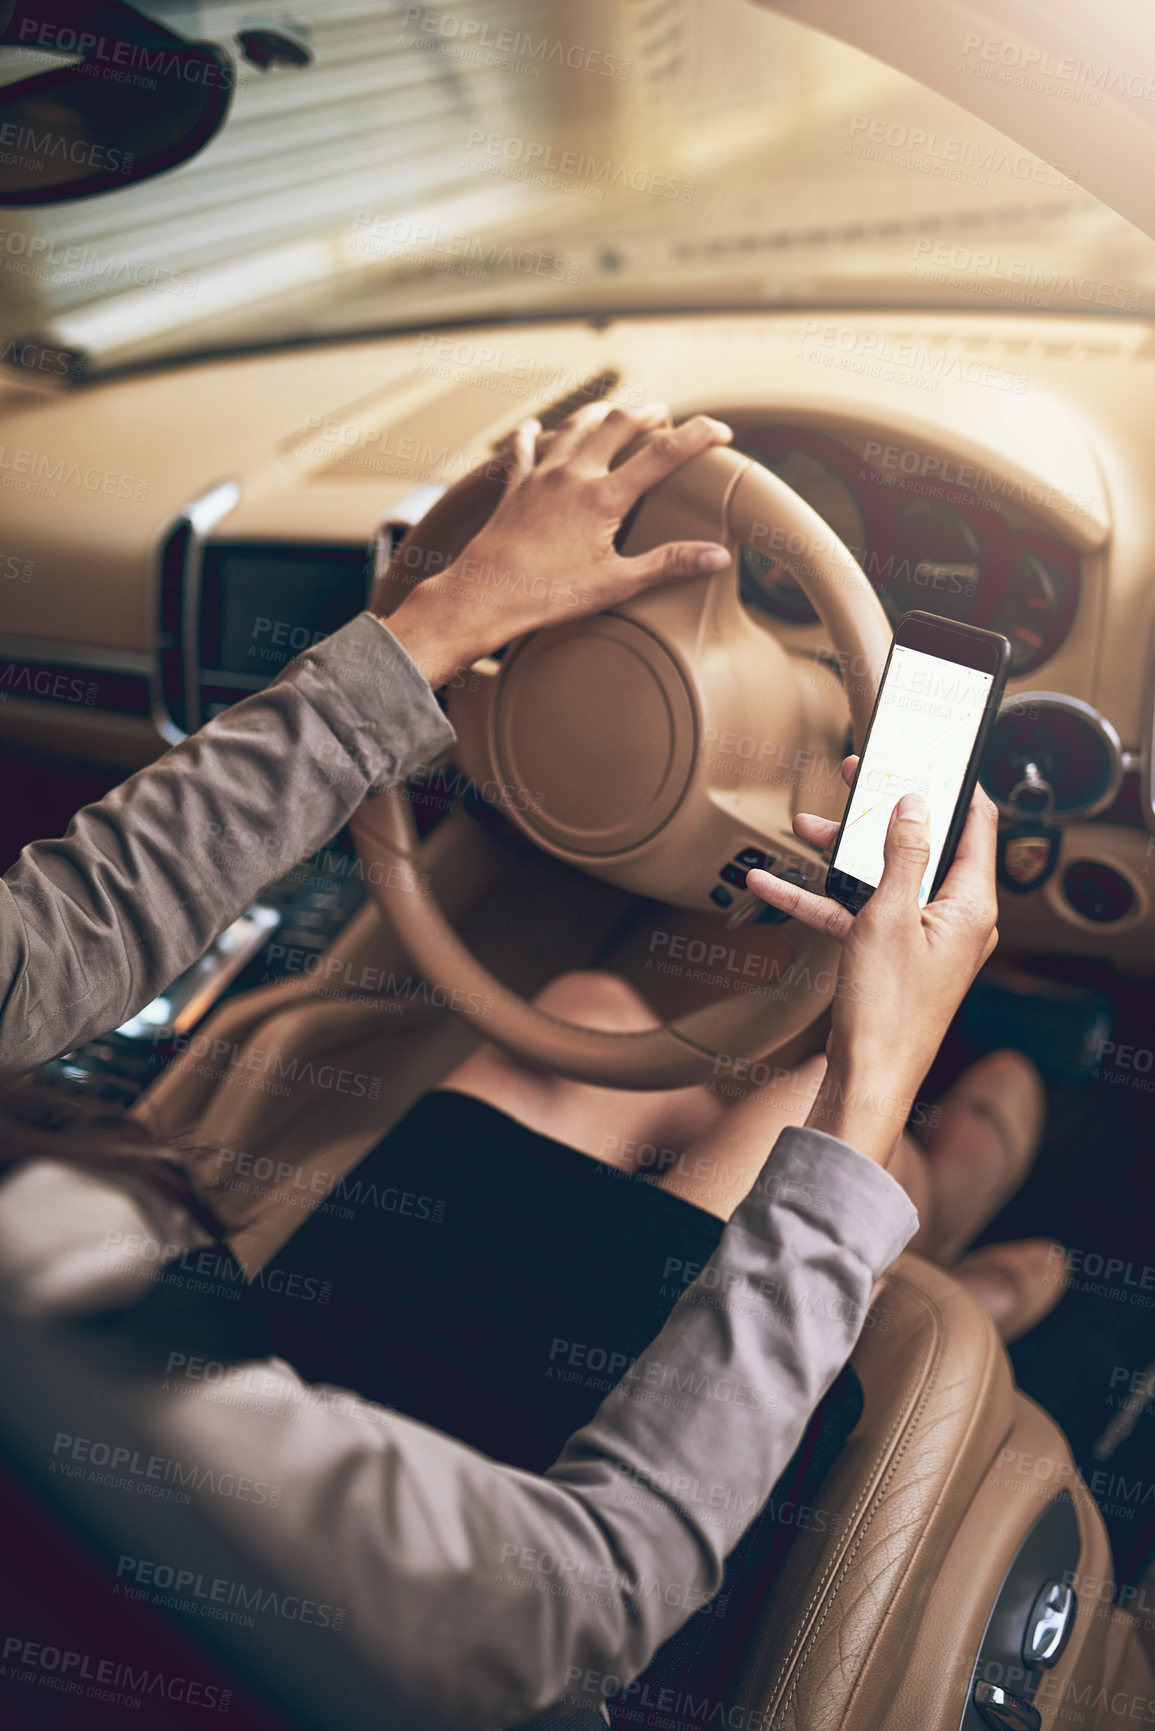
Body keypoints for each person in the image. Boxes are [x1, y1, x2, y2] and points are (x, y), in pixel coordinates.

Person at [0, 404, 1054, 1728]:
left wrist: (445, 622)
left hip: (263, 1391)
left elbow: (54, 940)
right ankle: (937, 1241)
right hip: (449, 1614)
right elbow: (593, 1597)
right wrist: (869, 1082)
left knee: (589, 1009)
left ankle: (911, 1214)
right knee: (801, 1115)